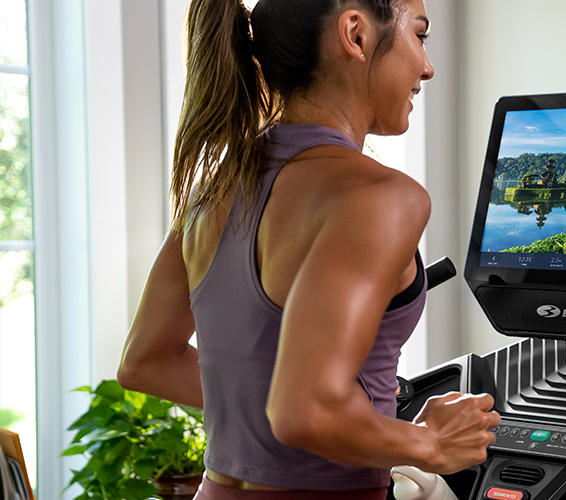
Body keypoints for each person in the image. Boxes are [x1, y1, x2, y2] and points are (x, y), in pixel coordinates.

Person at [116, 0, 500, 498]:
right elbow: (304, 411)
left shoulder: (213, 192)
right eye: (420, 36)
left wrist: (360, 423)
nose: (427, 67)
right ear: (356, 34)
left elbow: (145, 361)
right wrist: (423, 441)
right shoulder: (382, 197)